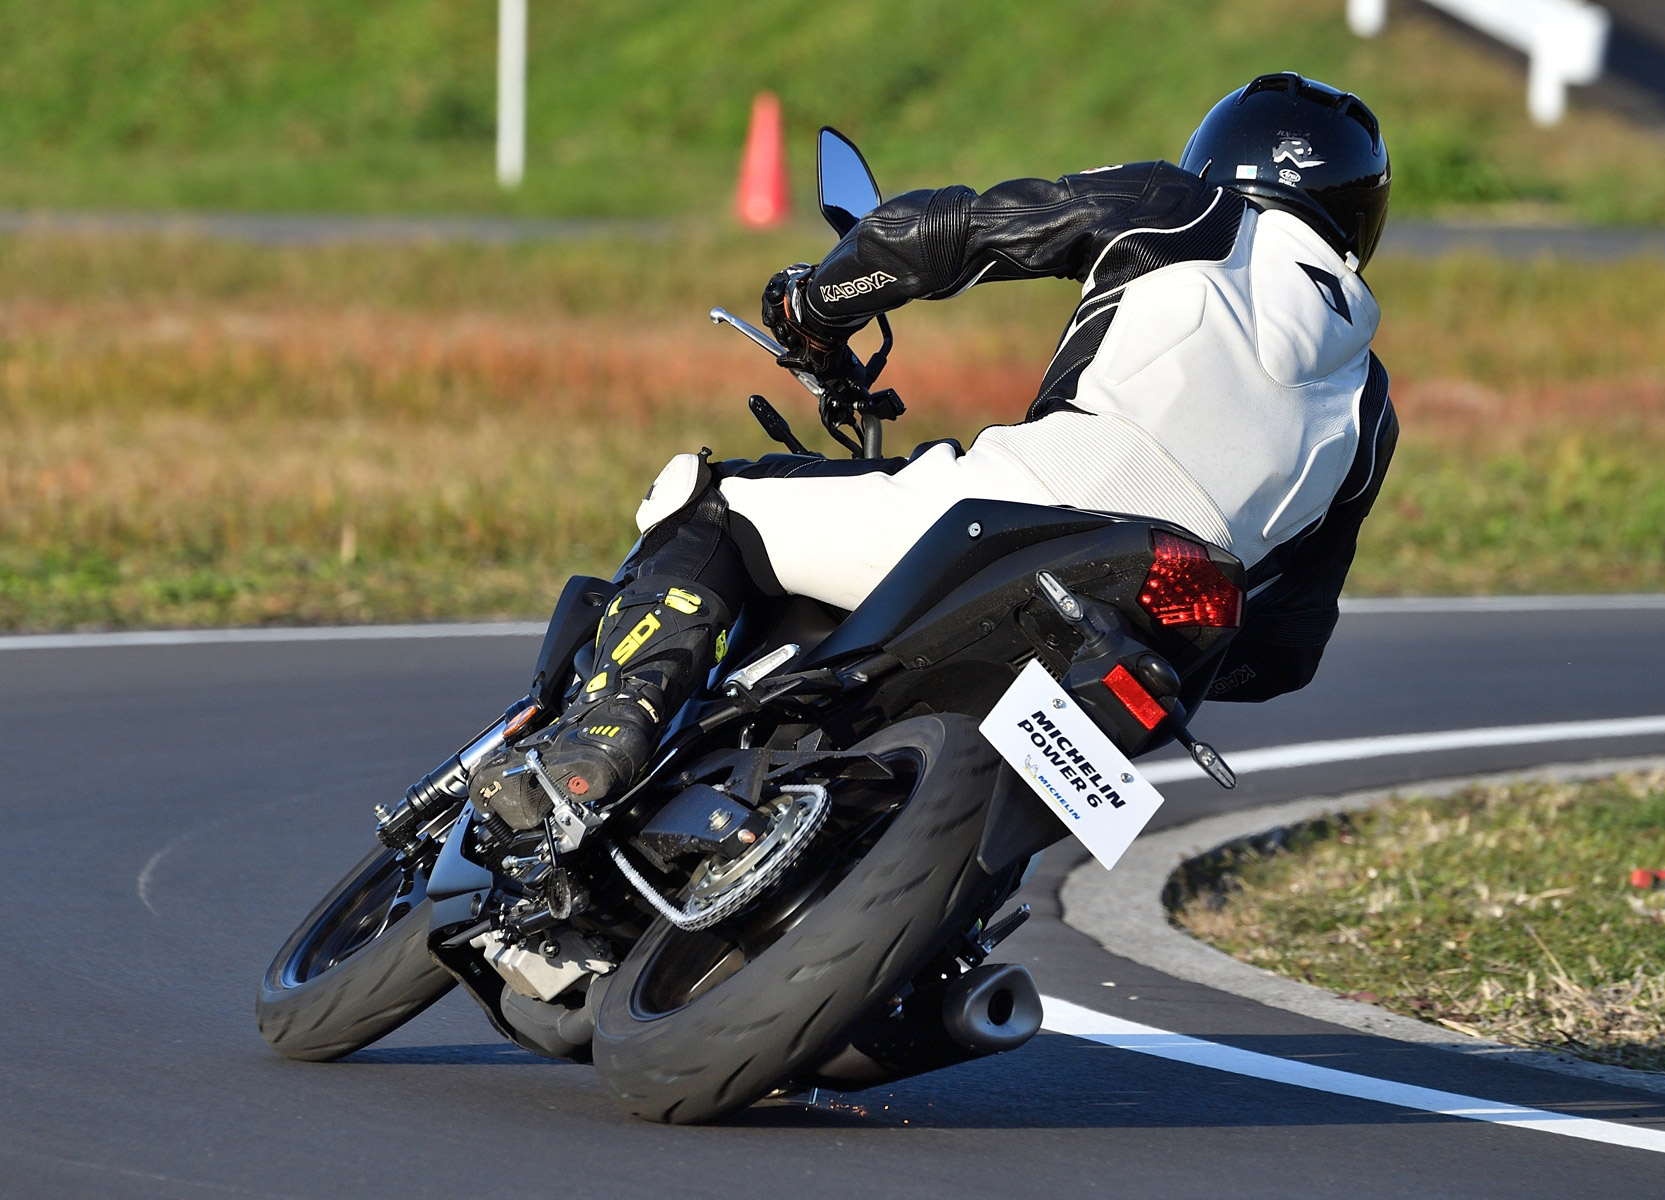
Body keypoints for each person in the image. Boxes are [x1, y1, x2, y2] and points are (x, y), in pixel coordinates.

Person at [468, 72, 1398, 830]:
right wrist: (1187, 619)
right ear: (1361, 217)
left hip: (1039, 505)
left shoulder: (1187, 208)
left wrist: (816, 306)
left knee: (713, 502)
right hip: (1171, 616)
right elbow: (1285, 650)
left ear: (1220, 157)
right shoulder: (1372, 400)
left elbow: (950, 234)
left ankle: (608, 731)